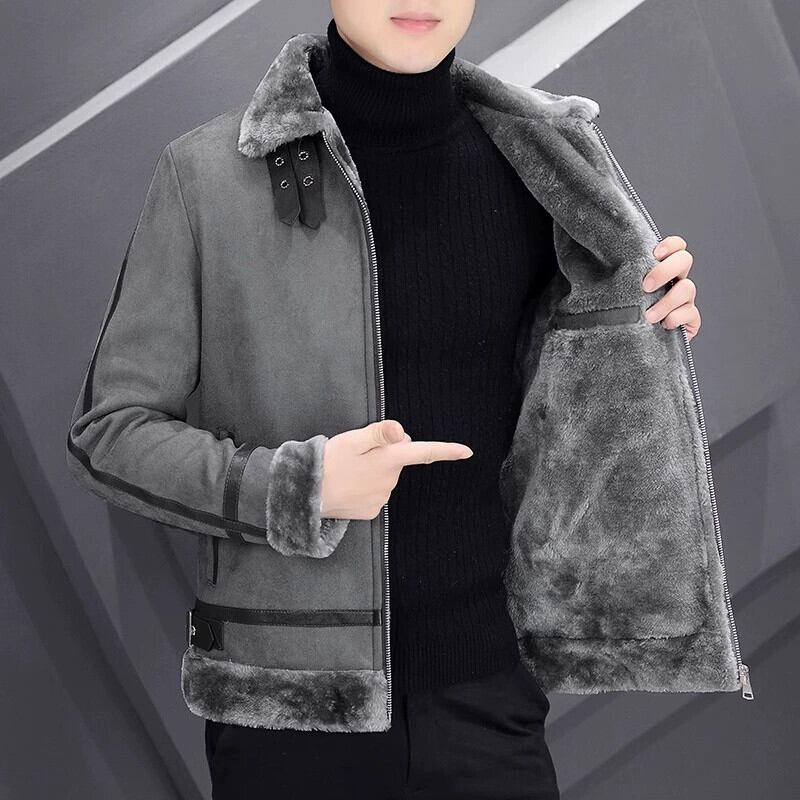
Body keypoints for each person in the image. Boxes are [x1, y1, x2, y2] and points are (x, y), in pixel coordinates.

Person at [67, 2, 746, 799]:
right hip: (290, 715)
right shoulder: (208, 177)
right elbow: (109, 434)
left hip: (490, 699)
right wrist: (301, 487)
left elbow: (562, 413)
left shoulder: (543, 164)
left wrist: (638, 320)